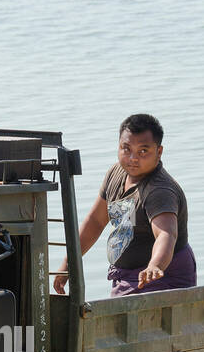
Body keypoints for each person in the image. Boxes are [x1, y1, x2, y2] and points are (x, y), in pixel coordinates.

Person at [53, 113, 194, 297]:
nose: (133, 158)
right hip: (126, 278)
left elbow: (166, 234)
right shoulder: (115, 173)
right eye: (126, 149)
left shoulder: (159, 191)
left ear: (159, 152)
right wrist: (68, 264)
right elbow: (95, 222)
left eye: (143, 151)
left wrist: (155, 266)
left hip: (161, 278)